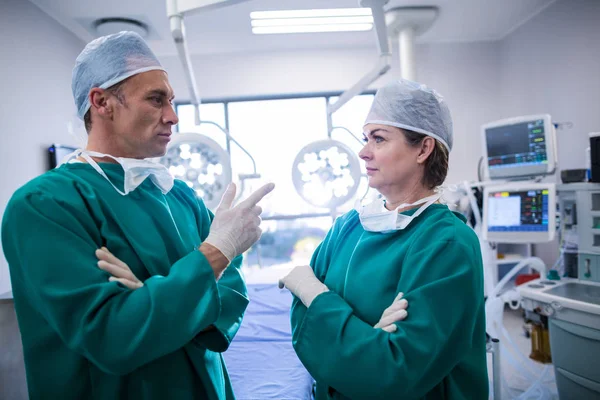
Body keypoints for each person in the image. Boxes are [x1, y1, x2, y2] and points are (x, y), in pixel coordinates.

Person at [1, 31, 273, 400]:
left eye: (172, 100)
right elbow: (112, 336)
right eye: (156, 99)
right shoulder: (45, 205)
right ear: (102, 102)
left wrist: (153, 297)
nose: (173, 116)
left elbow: (232, 291)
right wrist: (213, 257)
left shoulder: (179, 196)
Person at [278, 79, 488, 399]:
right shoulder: (347, 227)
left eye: (378, 138)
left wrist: (317, 297)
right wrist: (367, 344)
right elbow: (300, 324)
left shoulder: (447, 244)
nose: (363, 152)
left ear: (423, 148)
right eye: (366, 138)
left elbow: (394, 373)